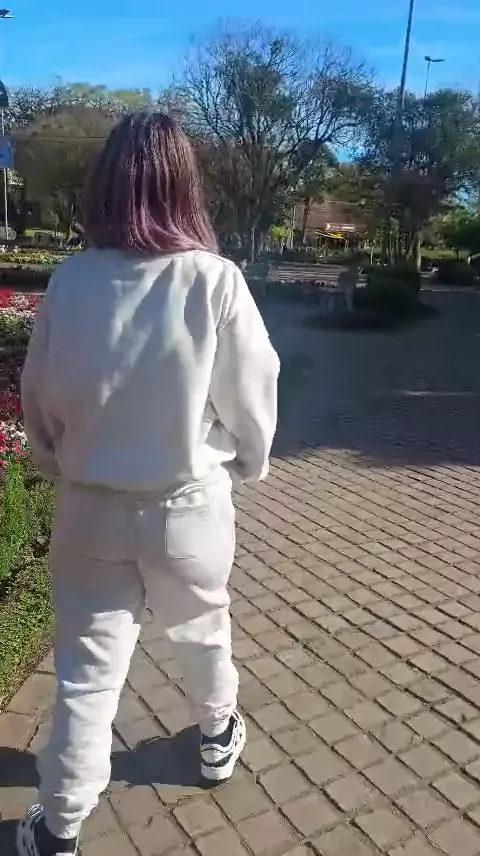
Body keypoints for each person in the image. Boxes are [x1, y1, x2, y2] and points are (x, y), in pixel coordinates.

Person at [17, 112, 280, 856]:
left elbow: (40, 395)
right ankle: (217, 739)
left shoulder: (71, 280)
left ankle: (60, 825)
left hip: (91, 510)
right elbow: (253, 393)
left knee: (87, 674)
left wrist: (57, 461)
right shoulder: (215, 280)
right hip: (187, 506)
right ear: (183, 185)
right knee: (203, 631)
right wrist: (246, 461)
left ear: (105, 183)